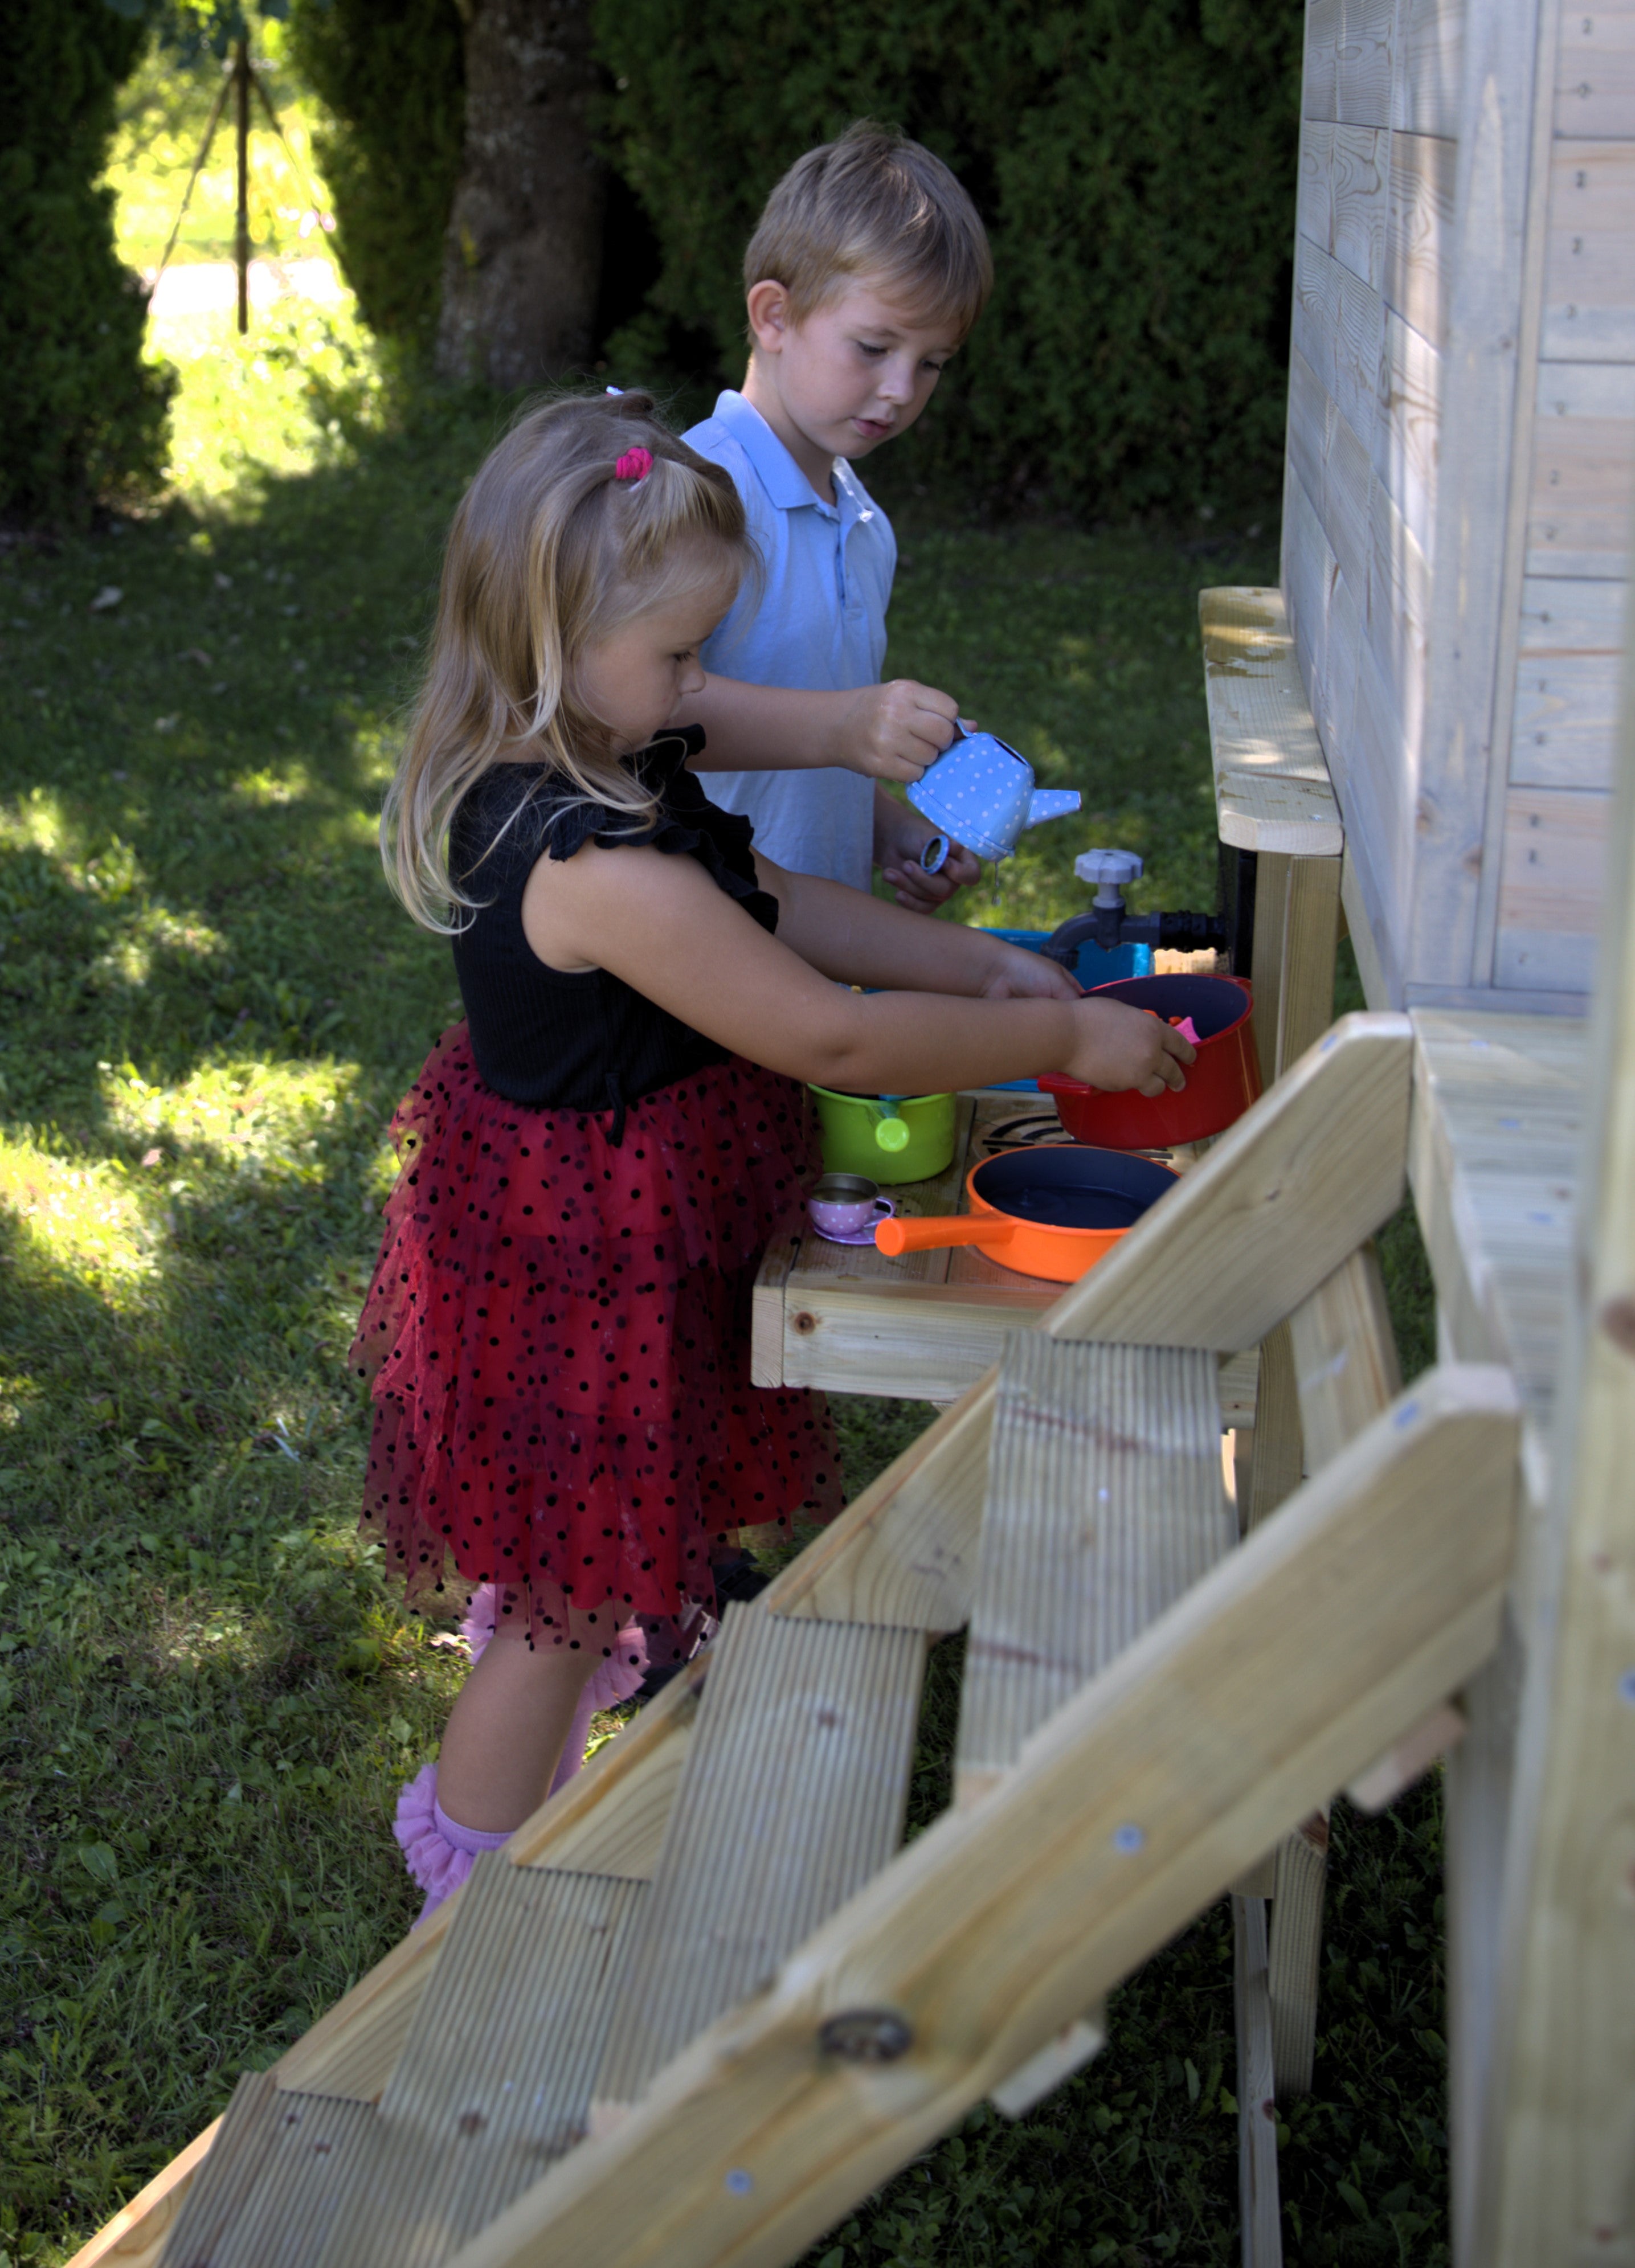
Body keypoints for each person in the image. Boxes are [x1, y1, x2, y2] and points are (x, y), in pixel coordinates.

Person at [352, 391, 1192, 1915]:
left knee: (608, 1521)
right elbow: (831, 1037)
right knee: (564, 1583)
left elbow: (772, 897)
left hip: (629, 1217)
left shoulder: (609, 759)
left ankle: (595, 1677)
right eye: (679, 658)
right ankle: (466, 1890)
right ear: (552, 645)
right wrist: (1059, 1042)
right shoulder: (583, 858)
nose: (701, 694)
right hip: (579, 1250)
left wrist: (981, 971)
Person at [680, 122, 991, 911]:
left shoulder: (862, 522)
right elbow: (638, 714)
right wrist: (845, 725)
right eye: (873, 347)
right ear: (774, 317)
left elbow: (797, 758)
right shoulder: (698, 495)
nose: (900, 390)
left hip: (815, 947)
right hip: (699, 945)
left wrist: (881, 826)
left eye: (930, 364)